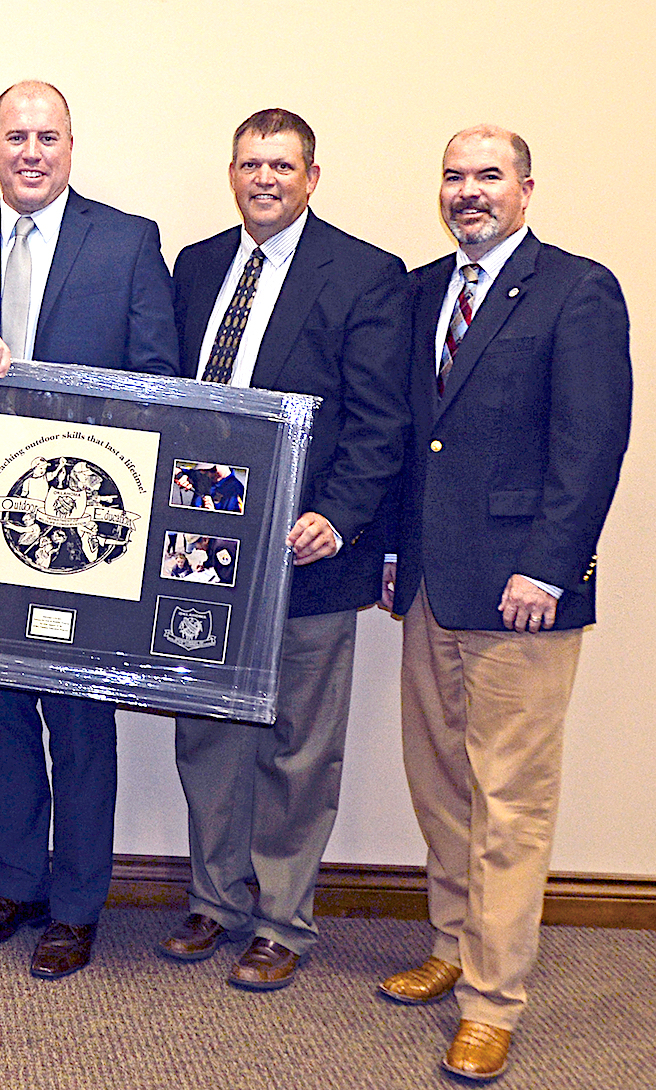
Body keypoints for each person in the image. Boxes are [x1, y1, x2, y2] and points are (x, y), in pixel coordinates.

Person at [0, 80, 178, 981]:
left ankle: (76, 906)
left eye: (47, 137)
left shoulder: (130, 241)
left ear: (70, 146)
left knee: (80, 715)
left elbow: (158, 377)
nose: (31, 152)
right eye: (15, 136)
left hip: (87, 526)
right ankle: (16, 885)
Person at [376, 125, 631, 1083]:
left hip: (523, 592)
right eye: (454, 176)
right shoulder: (420, 292)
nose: (468, 192)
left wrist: (549, 566)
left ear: (526, 187)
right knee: (441, 784)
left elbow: (592, 441)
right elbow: (413, 441)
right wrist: (398, 551)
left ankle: (493, 1000)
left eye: (488, 176)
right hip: (435, 584)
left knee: (511, 803)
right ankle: (451, 947)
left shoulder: (578, 289)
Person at [160, 109, 410, 991]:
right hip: (203, 551)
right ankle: (214, 900)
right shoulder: (194, 267)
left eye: (282, 165)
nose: (264, 179)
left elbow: (382, 421)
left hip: (310, 552)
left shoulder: (367, 275)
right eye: (249, 164)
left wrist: (337, 518)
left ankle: (282, 921)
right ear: (231, 173)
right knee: (208, 735)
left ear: (312, 176)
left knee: (299, 745)